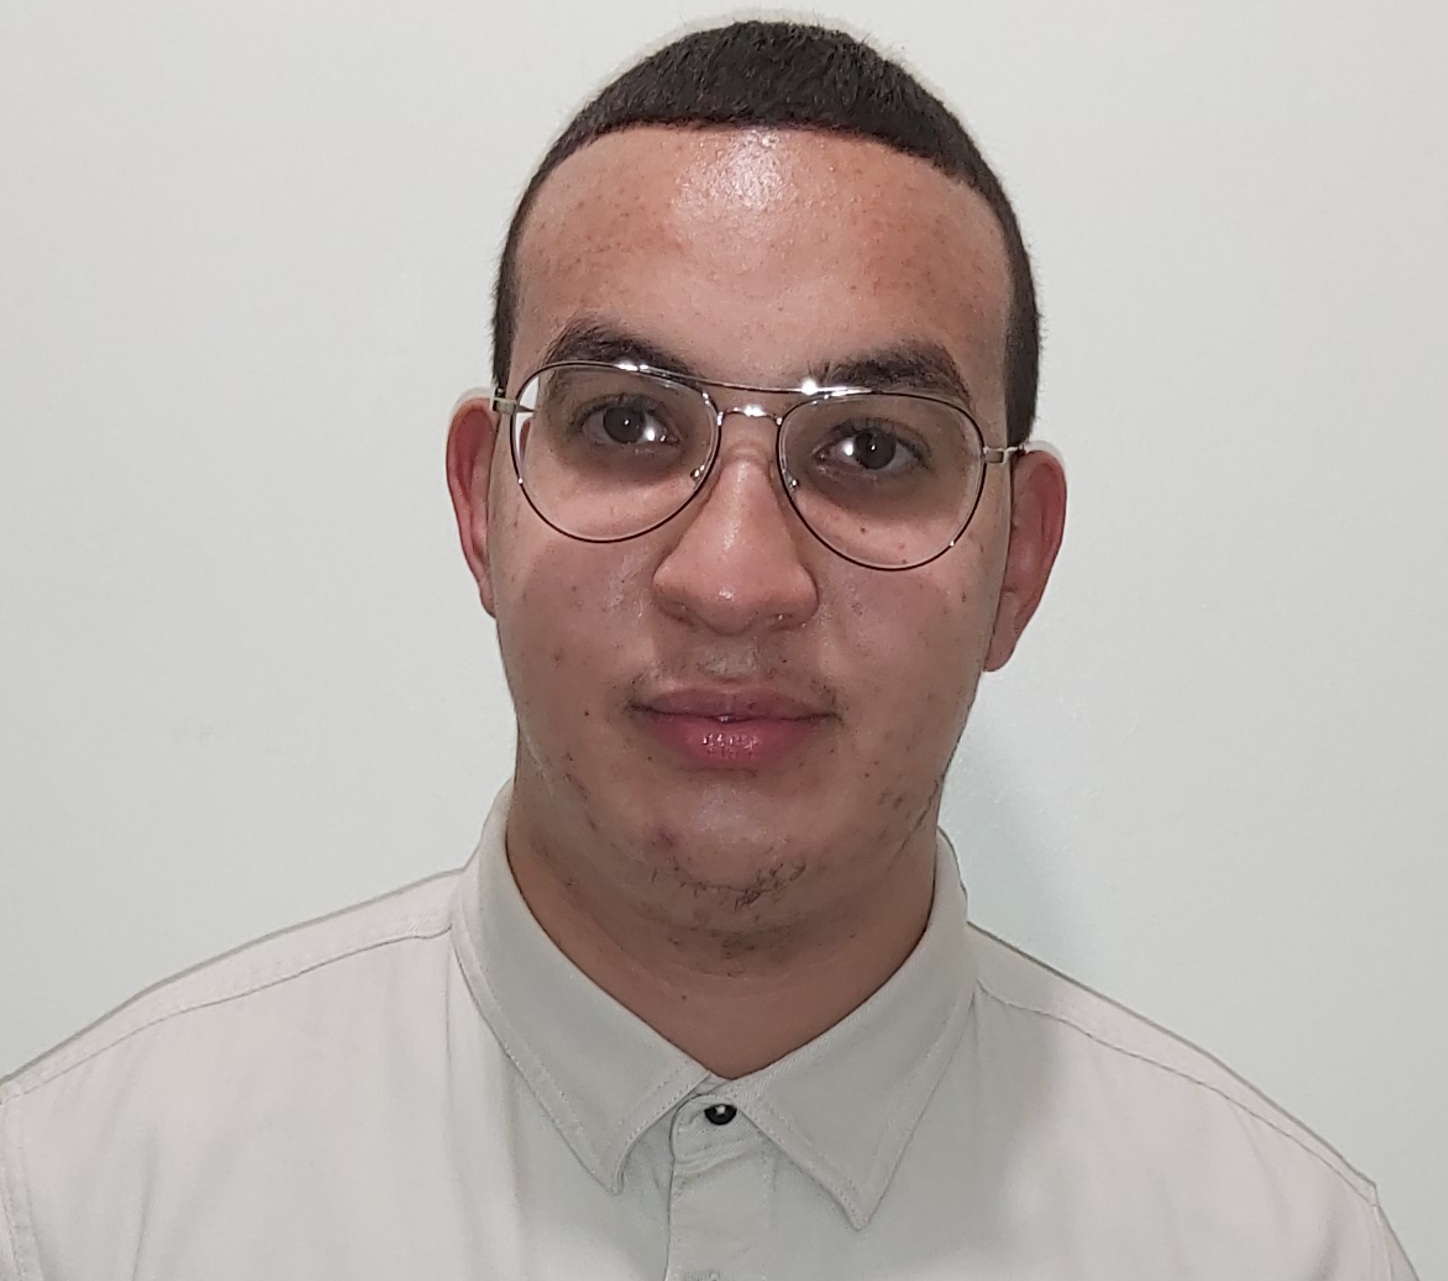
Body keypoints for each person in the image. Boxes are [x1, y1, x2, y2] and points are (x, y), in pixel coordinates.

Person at [0, 19, 1418, 1280]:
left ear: (1019, 561)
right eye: (627, 422)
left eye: (872, 448)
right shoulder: (80, 1217)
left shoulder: (1285, 1253)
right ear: (483, 507)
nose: (734, 584)